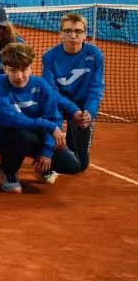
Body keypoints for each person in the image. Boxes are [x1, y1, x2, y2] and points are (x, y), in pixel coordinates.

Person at [0, 43, 83, 192]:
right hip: (3, 134)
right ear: (5, 69)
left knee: (72, 166)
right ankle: (9, 172)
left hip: (34, 134)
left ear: (31, 67)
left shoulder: (41, 85)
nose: (19, 76)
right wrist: (48, 126)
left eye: (24, 70)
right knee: (23, 137)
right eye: (13, 70)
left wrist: (47, 150)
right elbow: (7, 117)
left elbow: (54, 118)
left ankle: (42, 168)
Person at [43, 12, 105, 171]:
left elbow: (96, 87)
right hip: (58, 105)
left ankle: (68, 147)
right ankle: (43, 155)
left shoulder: (95, 55)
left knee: (81, 165)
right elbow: (51, 90)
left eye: (78, 31)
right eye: (68, 31)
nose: (73, 35)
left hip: (83, 107)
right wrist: (73, 109)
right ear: (61, 34)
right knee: (44, 108)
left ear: (85, 35)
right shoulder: (49, 57)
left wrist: (89, 112)